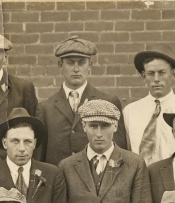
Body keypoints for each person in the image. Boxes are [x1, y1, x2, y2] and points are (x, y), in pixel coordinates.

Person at [58, 99, 153, 203]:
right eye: (93, 126)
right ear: (84, 126)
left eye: (105, 126)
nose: (99, 134)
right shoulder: (67, 166)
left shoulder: (134, 164)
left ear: (115, 126)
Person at [36, 36, 126, 165]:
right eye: (70, 62)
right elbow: (40, 158)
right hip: (59, 180)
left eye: (82, 62)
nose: (76, 69)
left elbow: (119, 150)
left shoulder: (108, 101)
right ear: (60, 65)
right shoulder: (45, 108)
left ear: (90, 65)